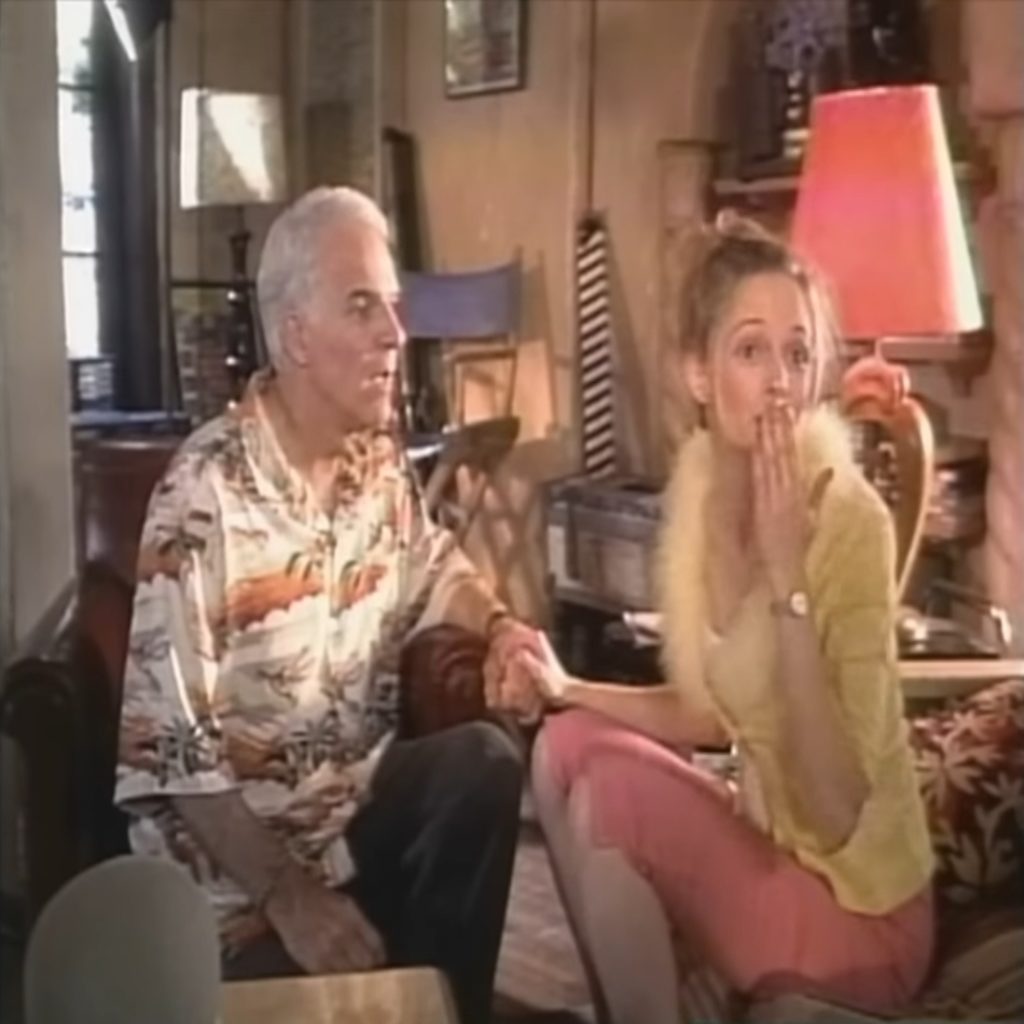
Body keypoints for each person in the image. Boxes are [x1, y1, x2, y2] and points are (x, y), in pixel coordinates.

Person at [115, 186, 540, 1024]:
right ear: (297, 336)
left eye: (393, 305)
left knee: (483, 764)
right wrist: (289, 897)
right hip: (235, 891)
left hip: (348, 824)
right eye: (361, 307)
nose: (396, 334)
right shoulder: (204, 494)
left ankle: (443, 1009)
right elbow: (172, 753)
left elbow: (435, 568)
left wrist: (501, 629)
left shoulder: (374, 463)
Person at [512, 213, 935, 1022]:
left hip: (859, 911)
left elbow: (838, 810)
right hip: (770, 856)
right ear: (698, 375)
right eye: (750, 351)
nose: (780, 381)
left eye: (798, 354)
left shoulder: (851, 521)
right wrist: (568, 689)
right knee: (563, 745)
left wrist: (787, 580)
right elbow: (710, 713)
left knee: (613, 796)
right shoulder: (700, 492)